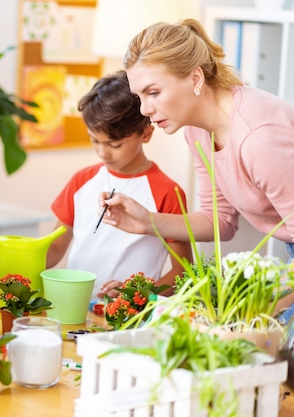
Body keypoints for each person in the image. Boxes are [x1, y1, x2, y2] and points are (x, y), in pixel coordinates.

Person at [99, 19, 294, 310]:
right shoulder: (197, 129)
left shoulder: (259, 138)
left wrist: (258, 313)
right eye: (139, 96)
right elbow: (220, 221)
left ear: (194, 79)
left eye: (153, 92)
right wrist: (146, 222)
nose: (144, 109)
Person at [46, 70, 192, 299]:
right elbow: (54, 249)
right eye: (94, 140)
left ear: (146, 133)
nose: (103, 152)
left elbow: (182, 272)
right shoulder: (81, 181)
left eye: (114, 145)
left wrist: (136, 293)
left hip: (130, 318)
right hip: (74, 308)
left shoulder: (167, 192)